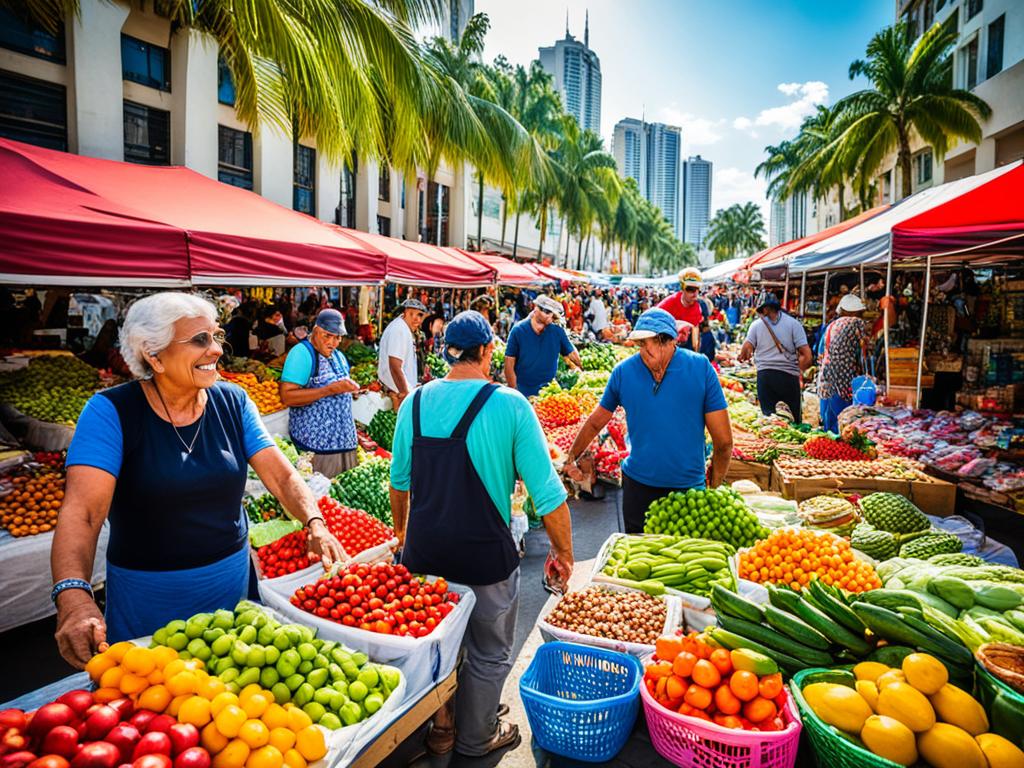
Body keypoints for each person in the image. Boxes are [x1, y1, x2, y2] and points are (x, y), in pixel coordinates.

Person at [51, 293, 345, 666]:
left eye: (216, 336)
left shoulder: (232, 402)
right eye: (199, 340)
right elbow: (83, 514)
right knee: (153, 701)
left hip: (231, 592)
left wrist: (314, 522)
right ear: (153, 356)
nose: (216, 351)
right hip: (147, 601)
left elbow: (282, 475)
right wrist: (73, 595)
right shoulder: (111, 412)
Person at [389, 311, 574, 757]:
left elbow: (399, 482)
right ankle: (476, 737)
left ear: (446, 351)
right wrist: (564, 553)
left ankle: (441, 725)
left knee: (437, 646)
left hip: (425, 556)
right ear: (489, 351)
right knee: (489, 651)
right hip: (485, 557)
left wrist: (400, 533)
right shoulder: (511, 405)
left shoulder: (412, 403)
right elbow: (547, 495)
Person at [565, 309, 733, 533]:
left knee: (679, 563)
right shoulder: (624, 372)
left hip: (688, 492)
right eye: (639, 344)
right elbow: (596, 422)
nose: (642, 351)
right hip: (640, 487)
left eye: (647, 343)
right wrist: (572, 457)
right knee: (641, 559)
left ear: (668, 341)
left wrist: (716, 482)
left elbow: (724, 442)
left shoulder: (700, 368)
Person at [278, 309, 360, 476]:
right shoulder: (302, 353)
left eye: (337, 337)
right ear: (315, 330)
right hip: (318, 449)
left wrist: (348, 391)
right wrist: (329, 390)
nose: (333, 342)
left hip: (345, 445)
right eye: (327, 335)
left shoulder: (339, 356)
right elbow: (287, 396)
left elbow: (338, 388)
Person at [739, 294, 813, 422]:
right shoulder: (793, 324)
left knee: (769, 421)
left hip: (765, 377)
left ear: (764, 309)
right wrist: (799, 371)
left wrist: (745, 355)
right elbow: (807, 355)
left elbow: (745, 351)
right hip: (788, 378)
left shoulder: (756, 325)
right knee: (793, 420)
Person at [504, 295, 582, 397]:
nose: (550, 315)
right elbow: (509, 364)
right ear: (535, 309)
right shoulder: (518, 330)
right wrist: (514, 393)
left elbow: (572, 354)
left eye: (552, 313)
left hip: (548, 391)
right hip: (523, 390)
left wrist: (582, 368)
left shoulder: (557, 331)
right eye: (547, 312)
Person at [817, 294, 868, 433]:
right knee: (845, 422)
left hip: (826, 378)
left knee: (830, 422)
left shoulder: (830, 326)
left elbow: (820, 352)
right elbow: (864, 353)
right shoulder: (857, 323)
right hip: (845, 380)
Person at [378, 298, 427, 405]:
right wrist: (405, 392)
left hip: (399, 391)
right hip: (397, 393)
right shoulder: (399, 330)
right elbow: (395, 366)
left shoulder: (402, 327)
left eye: (420, 315)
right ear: (404, 313)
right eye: (411, 314)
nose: (416, 319)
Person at [657, 267, 707, 350]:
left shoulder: (698, 307)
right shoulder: (669, 302)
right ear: (682, 289)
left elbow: (695, 334)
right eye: (690, 289)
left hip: (684, 346)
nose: (695, 294)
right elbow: (652, 317)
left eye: (698, 289)